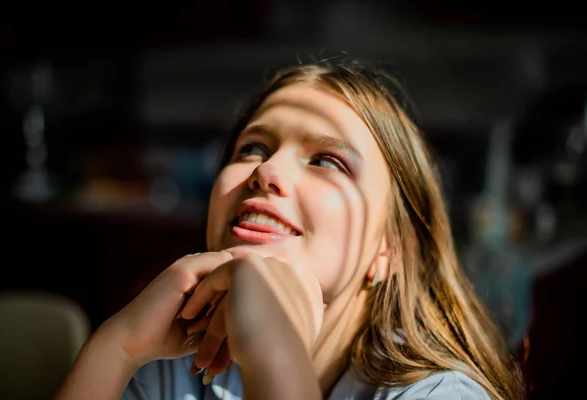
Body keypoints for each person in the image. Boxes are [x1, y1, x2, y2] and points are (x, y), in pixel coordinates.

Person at [54, 55, 525, 400]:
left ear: (391, 249)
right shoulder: (172, 368)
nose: (267, 171)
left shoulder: (443, 396)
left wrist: (274, 352)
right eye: (252, 149)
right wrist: (117, 348)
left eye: (327, 160)